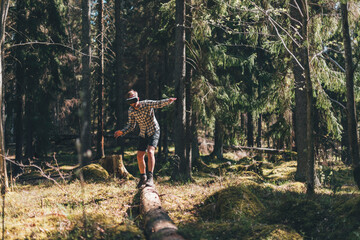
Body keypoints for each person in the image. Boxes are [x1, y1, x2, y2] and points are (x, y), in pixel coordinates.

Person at [114, 89, 176, 188]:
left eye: (134, 101)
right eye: (130, 102)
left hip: (153, 130)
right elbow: (131, 125)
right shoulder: (131, 111)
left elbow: (158, 104)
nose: (133, 104)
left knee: (150, 152)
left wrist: (168, 101)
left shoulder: (146, 104)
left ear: (138, 99)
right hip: (143, 133)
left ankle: (150, 178)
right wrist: (122, 131)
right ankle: (143, 177)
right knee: (139, 155)